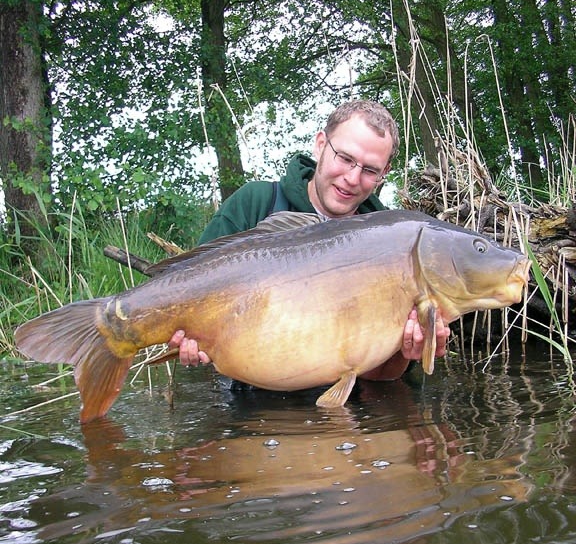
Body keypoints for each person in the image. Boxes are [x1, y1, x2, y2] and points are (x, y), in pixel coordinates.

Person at [169, 99, 449, 379]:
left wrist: (406, 353)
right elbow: (189, 287)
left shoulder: (395, 247)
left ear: (384, 173)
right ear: (320, 145)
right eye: (345, 158)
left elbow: (379, 377)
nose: (352, 178)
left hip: (344, 405)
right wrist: (187, 335)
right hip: (244, 395)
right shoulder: (256, 203)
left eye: (369, 170)